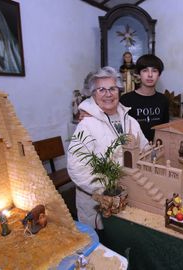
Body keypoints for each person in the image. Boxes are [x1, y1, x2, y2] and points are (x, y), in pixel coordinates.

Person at [67, 66, 148, 229]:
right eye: (101, 89)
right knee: (105, 247)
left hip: (131, 196)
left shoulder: (131, 121)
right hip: (99, 205)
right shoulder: (86, 125)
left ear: (119, 91)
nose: (108, 94)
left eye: (112, 88)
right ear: (93, 93)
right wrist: (109, 189)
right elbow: (77, 168)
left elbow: (145, 149)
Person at [120, 54, 169, 142]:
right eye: (145, 70)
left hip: (157, 149)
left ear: (159, 75)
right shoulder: (125, 100)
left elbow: (165, 129)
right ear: (139, 74)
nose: (150, 75)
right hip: (133, 149)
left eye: (154, 71)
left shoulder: (163, 100)